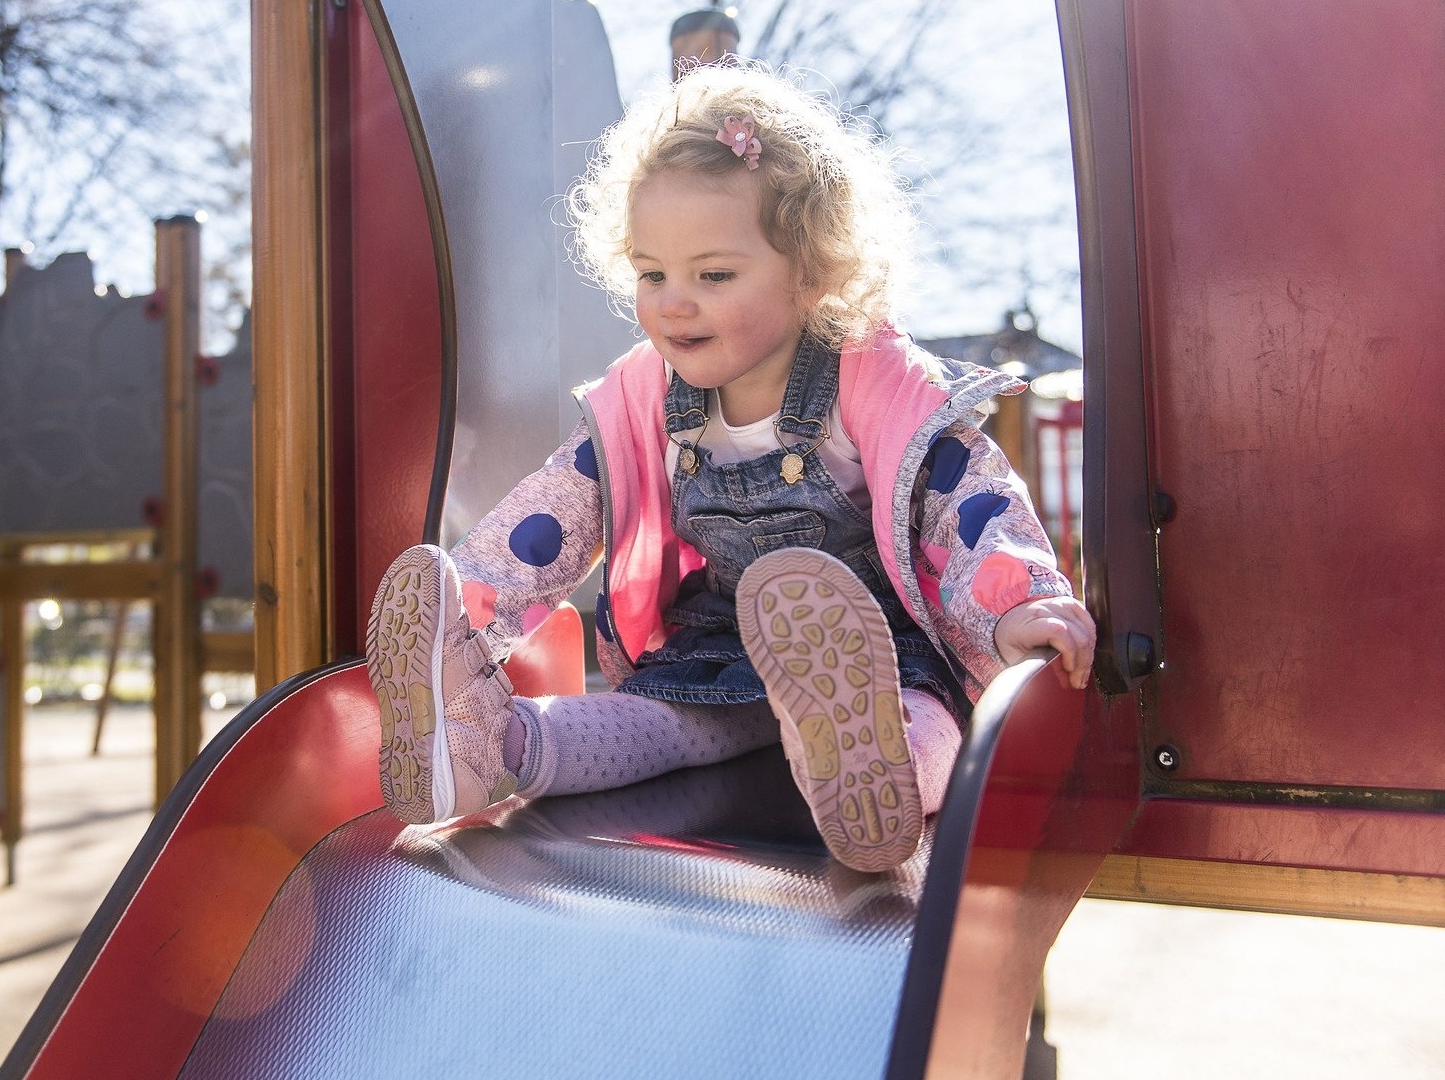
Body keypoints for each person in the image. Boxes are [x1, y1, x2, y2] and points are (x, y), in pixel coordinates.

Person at [365, 64, 1095, 873]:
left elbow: (971, 503)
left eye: (712, 275)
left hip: (872, 648)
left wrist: (1022, 603)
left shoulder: (874, 384)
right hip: (722, 636)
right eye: (653, 273)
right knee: (654, 722)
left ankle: (867, 776)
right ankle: (486, 749)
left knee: (922, 714)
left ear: (811, 273)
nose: (674, 301)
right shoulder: (646, 397)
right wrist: (467, 616)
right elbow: (552, 516)